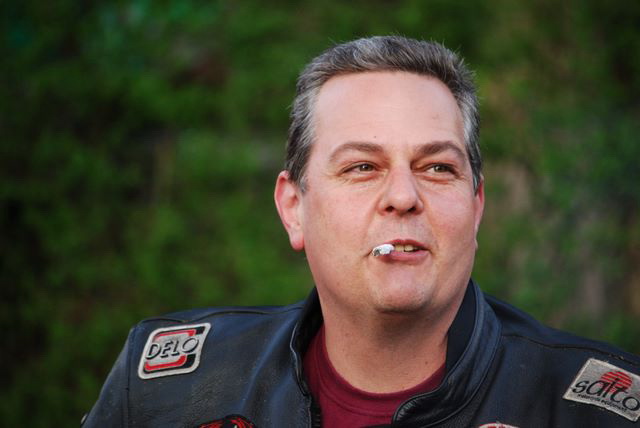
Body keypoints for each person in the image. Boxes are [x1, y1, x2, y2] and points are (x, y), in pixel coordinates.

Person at [83, 36, 640, 427]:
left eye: (437, 167)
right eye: (362, 167)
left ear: (476, 207)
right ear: (294, 208)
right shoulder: (162, 389)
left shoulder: (597, 412)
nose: (403, 195)